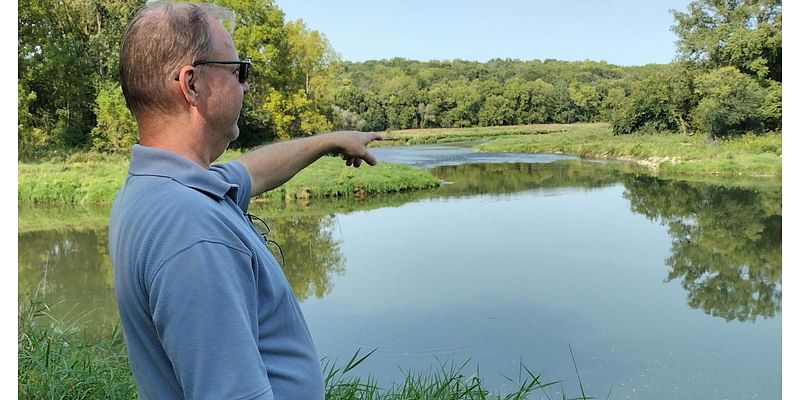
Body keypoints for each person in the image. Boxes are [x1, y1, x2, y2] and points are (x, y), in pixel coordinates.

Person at [108, 2, 380, 399]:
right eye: (238, 71)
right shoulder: (191, 231)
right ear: (191, 85)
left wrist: (329, 141)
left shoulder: (159, 188)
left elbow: (254, 170)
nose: (245, 85)